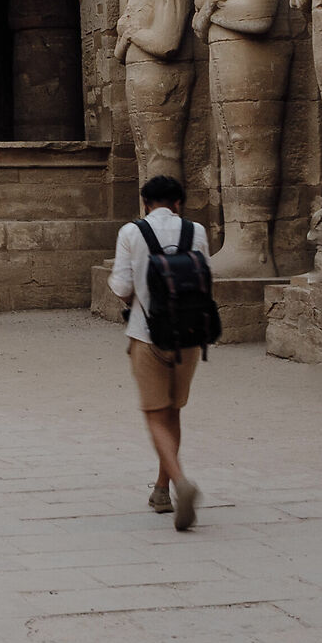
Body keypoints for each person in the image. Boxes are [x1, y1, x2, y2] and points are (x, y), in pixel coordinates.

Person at [106, 174, 207, 529]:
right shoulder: (195, 231)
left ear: (145, 203)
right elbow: (206, 277)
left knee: (154, 413)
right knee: (173, 411)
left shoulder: (132, 232)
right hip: (189, 335)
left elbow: (121, 286)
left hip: (147, 334)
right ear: (178, 203)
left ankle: (179, 482)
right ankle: (161, 490)